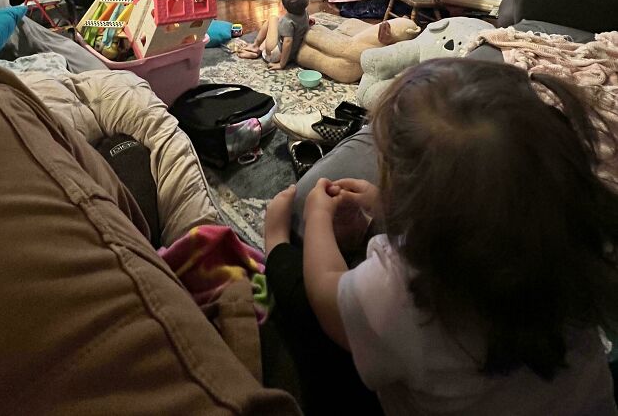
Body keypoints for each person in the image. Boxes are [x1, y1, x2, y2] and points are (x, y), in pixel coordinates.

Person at [264, 58, 618, 414]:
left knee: (294, 287)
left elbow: (327, 296)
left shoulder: (400, 289)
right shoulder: (572, 239)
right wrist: (385, 206)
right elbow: (481, 215)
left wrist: (303, 224)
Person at [238, 0, 310, 70]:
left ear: (284, 6)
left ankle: (255, 45)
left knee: (273, 18)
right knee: (274, 28)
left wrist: (281, 64)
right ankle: (258, 51)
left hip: (276, 55)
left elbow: (287, 42)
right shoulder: (305, 13)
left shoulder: (287, 21)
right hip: (292, 53)